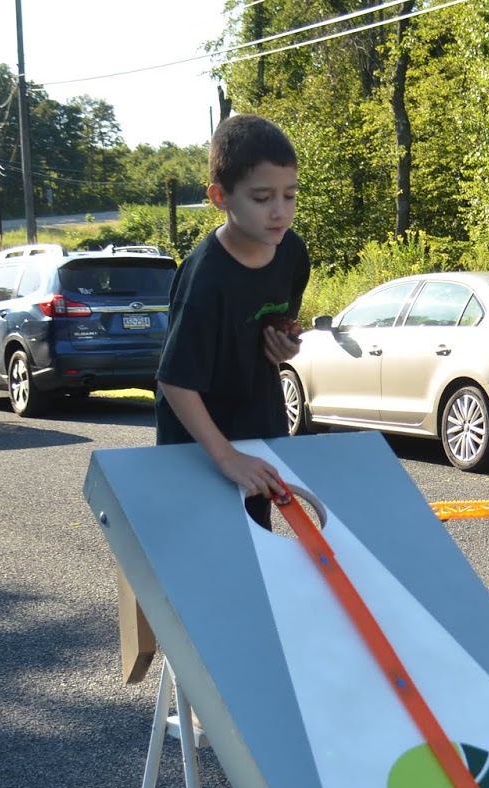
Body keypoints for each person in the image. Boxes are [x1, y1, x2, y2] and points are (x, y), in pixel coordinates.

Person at [155, 114, 312, 528]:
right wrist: (226, 457)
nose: (280, 212)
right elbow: (175, 381)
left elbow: (277, 326)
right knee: (203, 571)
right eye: (262, 198)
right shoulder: (205, 279)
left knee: (257, 563)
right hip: (199, 451)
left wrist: (284, 345)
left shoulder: (292, 253)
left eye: (290, 195)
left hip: (258, 437)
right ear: (220, 196)